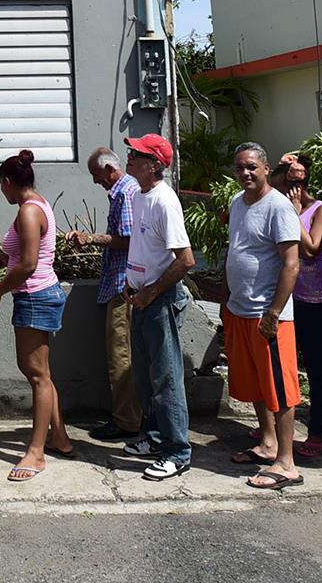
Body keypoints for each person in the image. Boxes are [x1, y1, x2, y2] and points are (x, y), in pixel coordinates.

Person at [0, 149, 73, 481]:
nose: (1, 190)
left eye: (0, 184)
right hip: (40, 294)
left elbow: (28, 264)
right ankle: (59, 438)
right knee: (42, 374)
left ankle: (35, 453)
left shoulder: (27, 211)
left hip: (34, 296)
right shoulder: (40, 204)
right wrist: (1, 257)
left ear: (8, 182)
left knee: (36, 375)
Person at [222, 143, 304, 491]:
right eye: (240, 168)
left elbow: (291, 263)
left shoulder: (279, 206)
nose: (246, 173)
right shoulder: (237, 204)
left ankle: (287, 463)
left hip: (270, 315)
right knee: (257, 382)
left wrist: (273, 311)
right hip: (240, 308)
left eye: (252, 167)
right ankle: (268, 442)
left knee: (280, 390)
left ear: (267, 168)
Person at [120, 134, 195, 481]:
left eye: (136, 154)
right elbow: (143, 246)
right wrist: (131, 280)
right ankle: (153, 439)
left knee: (166, 380)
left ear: (154, 165)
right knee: (145, 378)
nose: (129, 158)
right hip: (140, 298)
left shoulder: (165, 201)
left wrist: (150, 291)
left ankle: (177, 452)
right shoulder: (139, 196)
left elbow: (185, 260)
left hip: (159, 300)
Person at [75, 146, 142, 442]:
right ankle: (130, 416)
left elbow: (129, 239)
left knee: (121, 356)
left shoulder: (125, 193)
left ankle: (127, 421)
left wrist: (92, 239)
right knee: (123, 356)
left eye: (95, 175)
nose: (94, 181)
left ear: (107, 169)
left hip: (122, 286)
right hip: (120, 284)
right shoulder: (125, 191)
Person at [282, 152, 322, 457]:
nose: (291, 183)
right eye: (286, 177)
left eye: (296, 177)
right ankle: (277, 426)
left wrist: (293, 213)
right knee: (284, 363)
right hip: (288, 297)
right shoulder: (278, 204)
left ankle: (318, 432)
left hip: (317, 299)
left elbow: (312, 251)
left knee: (316, 366)